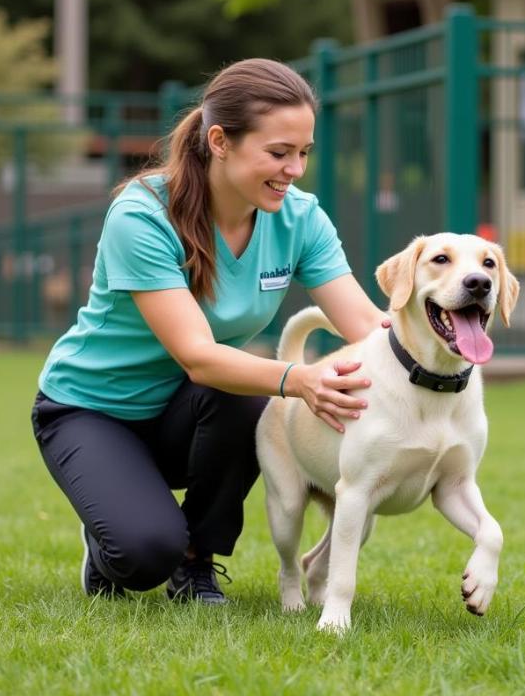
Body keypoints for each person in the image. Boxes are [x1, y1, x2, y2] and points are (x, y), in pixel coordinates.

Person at [31, 59, 387, 605]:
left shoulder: (301, 219)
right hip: (92, 412)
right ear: (219, 141)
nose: (294, 169)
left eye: (303, 153)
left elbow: (367, 326)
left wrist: (439, 342)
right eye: (278, 153)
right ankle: (113, 539)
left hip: (187, 412)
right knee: (143, 553)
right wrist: (300, 378)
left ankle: (196, 561)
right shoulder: (142, 215)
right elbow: (198, 355)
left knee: (249, 396)